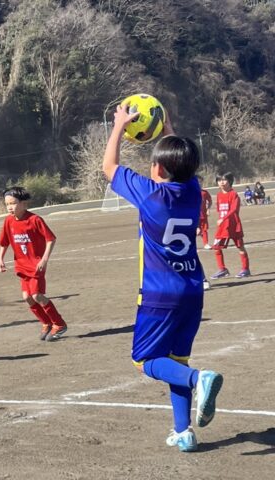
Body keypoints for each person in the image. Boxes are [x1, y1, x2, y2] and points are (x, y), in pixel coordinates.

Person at [102, 102, 223, 452]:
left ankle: (199, 379)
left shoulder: (151, 195)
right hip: (192, 290)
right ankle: (183, 430)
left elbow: (109, 166)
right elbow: (181, 164)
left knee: (145, 362)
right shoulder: (193, 191)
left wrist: (120, 127)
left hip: (159, 295)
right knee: (176, 359)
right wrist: (169, 128)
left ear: (157, 168)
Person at [0, 186, 68, 342]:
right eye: (7, 204)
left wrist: (44, 259)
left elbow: (51, 239)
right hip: (21, 265)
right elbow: (4, 242)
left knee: (37, 295)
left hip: (36, 265)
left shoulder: (35, 220)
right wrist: (0, 259)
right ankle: (46, 322)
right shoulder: (8, 221)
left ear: (24, 204)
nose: (9, 207)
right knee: (27, 297)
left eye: (13, 203)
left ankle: (59, 323)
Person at [210, 173, 251, 279]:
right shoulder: (218, 195)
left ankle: (245, 269)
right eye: (219, 180)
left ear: (230, 181)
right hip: (223, 227)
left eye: (224, 180)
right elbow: (219, 209)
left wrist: (223, 219)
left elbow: (233, 210)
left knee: (240, 247)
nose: (221, 182)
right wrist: (221, 219)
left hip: (234, 225)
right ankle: (222, 269)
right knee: (216, 247)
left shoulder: (234, 194)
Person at [196, 176, 213, 250]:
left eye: (200, 182)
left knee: (204, 229)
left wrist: (208, 209)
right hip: (194, 216)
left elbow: (210, 201)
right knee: (194, 230)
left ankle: (206, 244)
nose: (199, 184)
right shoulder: (190, 193)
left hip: (203, 215)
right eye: (197, 182)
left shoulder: (204, 193)